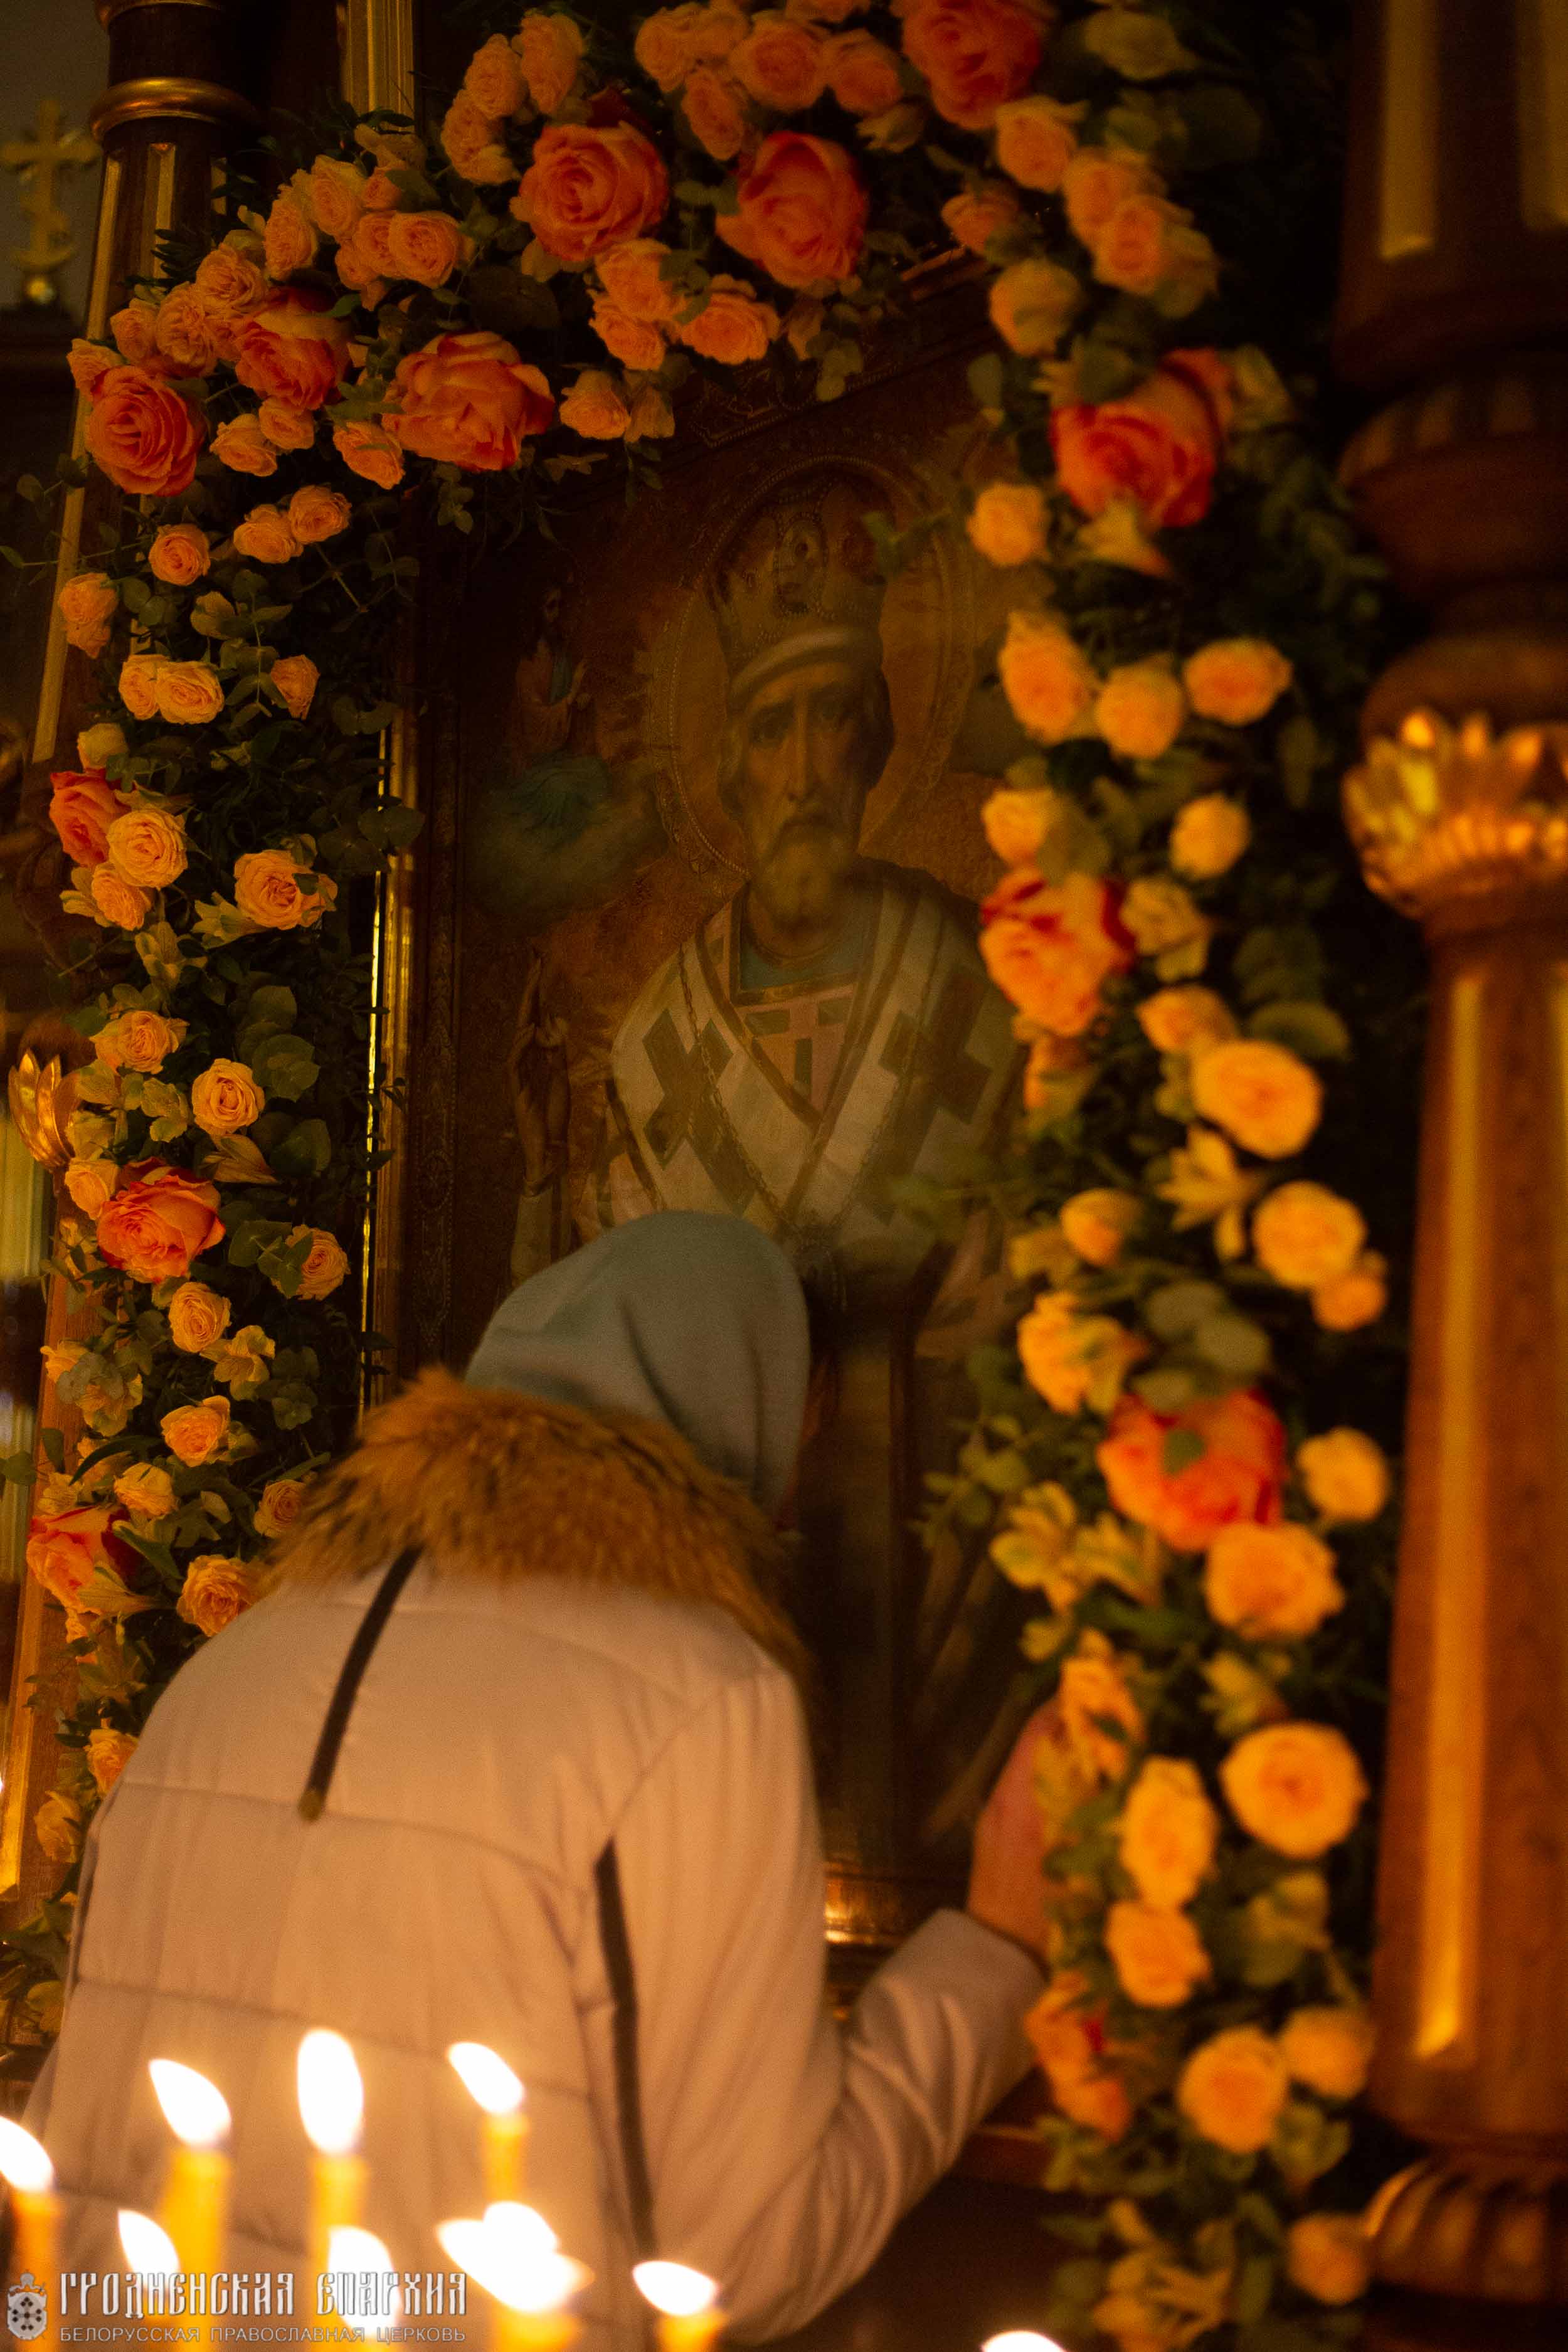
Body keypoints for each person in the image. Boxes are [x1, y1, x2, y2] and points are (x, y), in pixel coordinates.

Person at [28, 1214, 1050, 2344]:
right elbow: (739, 2259)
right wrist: (998, 1952)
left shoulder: (225, 1672)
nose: (799, 1504)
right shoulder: (700, 1695)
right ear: (753, 1421)